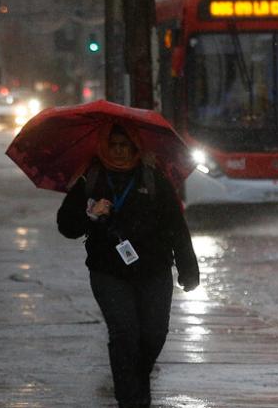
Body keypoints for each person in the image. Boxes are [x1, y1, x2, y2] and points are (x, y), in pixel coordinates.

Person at [56, 123, 200, 408]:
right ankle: (129, 399)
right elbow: (66, 227)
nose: (120, 151)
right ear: (104, 147)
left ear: (136, 148)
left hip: (154, 270)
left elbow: (176, 227)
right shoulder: (90, 179)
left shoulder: (154, 178)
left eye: (126, 145)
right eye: (114, 145)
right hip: (108, 272)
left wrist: (188, 269)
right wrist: (91, 215)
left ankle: (136, 381)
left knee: (154, 333)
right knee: (124, 333)